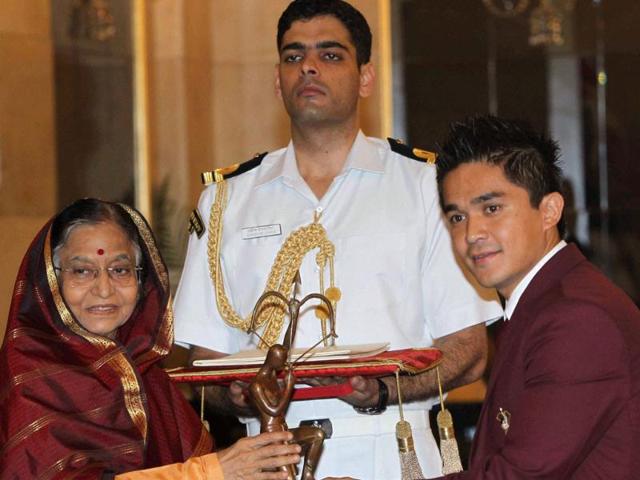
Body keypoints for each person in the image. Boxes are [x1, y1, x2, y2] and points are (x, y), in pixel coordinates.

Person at [173, 1, 501, 478]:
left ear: (365, 77)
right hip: (266, 451)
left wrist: (383, 390)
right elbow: (204, 359)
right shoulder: (226, 201)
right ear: (277, 80)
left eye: (330, 55)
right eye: (293, 56)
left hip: (394, 447)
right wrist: (238, 394)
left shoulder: (426, 187)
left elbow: (469, 349)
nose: (308, 66)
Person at [0, 198, 301, 479]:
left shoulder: (149, 381)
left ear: (142, 280)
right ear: (50, 281)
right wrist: (210, 472)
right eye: (82, 271)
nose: (104, 289)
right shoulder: (30, 380)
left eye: (120, 270)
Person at [434, 115, 640, 479]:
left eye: (492, 208)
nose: (472, 233)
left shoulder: (577, 318)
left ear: (549, 211)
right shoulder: (542, 304)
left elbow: (521, 474)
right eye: (457, 218)